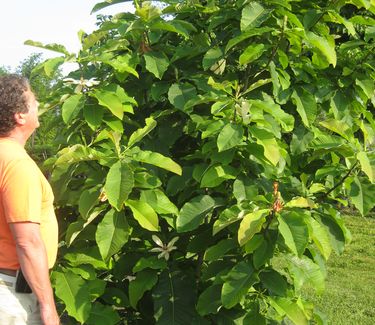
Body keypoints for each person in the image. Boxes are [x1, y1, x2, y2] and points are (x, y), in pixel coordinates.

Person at [0, 74, 59, 325]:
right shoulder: (17, 164)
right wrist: (48, 308)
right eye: (33, 98)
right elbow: (28, 242)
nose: (38, 103)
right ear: (19, 116)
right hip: (11, 293)